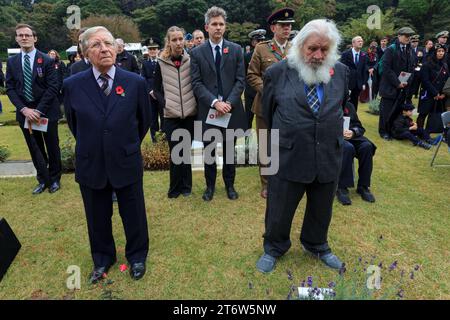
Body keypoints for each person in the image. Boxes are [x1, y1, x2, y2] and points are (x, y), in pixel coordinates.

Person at [256, 19, 348, 273]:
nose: (318, 56)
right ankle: (274, 246)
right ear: (299, 46)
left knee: (322, 207)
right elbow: (268, 112)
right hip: (289, 155)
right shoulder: (277, 73)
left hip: (328, 153)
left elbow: (342, 105)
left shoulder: (340, 72)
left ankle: (316, 243)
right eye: (312, 49)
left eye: (324, 49)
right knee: (279, 207)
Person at [63, 26, 151, 283]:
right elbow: (74, 123)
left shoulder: (135, 82)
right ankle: (102, 259)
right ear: (85, 53)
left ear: (116, 48)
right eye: (96, 45)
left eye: (108, 43)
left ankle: (136, 256)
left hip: (125, 159)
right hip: (91, 162)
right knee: (96, 215)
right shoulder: (72, 85)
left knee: (133, 212)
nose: (104, 49)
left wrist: (124, 144)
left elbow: (143, 121)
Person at [190, 6, 247, 201]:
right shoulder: (197, 53)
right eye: (214, 24)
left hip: (231, 109)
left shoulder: (236, 49)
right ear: (206, 27)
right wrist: (215, 102)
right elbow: (196, 83)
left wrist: (228, 103)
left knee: (230, 150)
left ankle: (230, 185)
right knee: (209, 150)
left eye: (221, 24)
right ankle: (210, 187)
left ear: (225, 26)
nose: (218, 28)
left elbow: (241, 80)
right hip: (209, 109)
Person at [5, 24, 62, 195]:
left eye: (27, 35)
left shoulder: (47, 60)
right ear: (16, 38)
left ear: (35, 38)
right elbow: (10, 88)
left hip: (45, 113)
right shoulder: (12, 62)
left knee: (52, 146)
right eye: (20, 35)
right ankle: (42, 179)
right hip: (25, 114)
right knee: (34, 147)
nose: (24, 38)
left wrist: (37, 111)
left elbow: (53, 87)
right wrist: (23, 109)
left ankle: (54, 179)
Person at [247, 7, 294, 199]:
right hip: (265, 105)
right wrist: (270, 92)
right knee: (267, 145)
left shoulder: (296, 48)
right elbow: (252, 75)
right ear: (273, 27)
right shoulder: (261, 48)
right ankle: (267, 183)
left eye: (289, 25)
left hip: (290, 107)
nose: (287, 29)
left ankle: (285, 178)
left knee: (286, 143)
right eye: (283, 25)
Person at [152, 26, 197, 198]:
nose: (178, 43)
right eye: (174, 40)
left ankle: (186, 187)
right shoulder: (161, 63)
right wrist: (166, 104)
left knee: (185, 152)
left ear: (184, 40)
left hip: (189, 115)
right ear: (168, 42)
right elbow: (155, 89)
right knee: (174, 153)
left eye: (180, 39)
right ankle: (174, 188)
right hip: (171, 116)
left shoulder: (191, 60)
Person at [378, 27, 416, 140]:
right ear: (399, 36)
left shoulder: (409, 49)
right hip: (390, 86)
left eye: (409, 36)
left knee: (396, 111)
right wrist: (397, 82)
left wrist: (406, 82)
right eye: (405, 36)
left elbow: (411, 68)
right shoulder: (391, 49)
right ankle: (384, 131)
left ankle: (393, 131)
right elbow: (386, 68)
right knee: (386, 111)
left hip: (403, 86)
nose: (408, 38)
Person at [336, 101, 376, 206]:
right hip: (333, 137)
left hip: (351, 136)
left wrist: (353, 132)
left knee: (367, 146)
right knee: (348, 148)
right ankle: (341, 187)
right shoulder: (327, 103)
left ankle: (363, 186)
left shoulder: (349, 105)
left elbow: (358, 126)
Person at [244, 28, 266, 163]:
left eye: (262, 40)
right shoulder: (247, 56)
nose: (260, 43)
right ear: (253, 42)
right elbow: (244, 74)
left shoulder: (266, 53)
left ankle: (263, 148)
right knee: (247, 120)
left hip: (263, 93)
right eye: (258, 41)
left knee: (263, 123)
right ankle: (247, 147)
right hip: (251, 93)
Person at [417, 44, 449, 135]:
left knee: (434, 115)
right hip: (428, 94)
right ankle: (420, 134)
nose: (441, 53)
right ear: (434, 52)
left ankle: (427, 133)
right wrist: (435, 93)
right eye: (439, 51)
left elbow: (446, 80)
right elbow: (425, 81)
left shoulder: (445, 65)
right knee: (423, 114)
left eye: (442, 51)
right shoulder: (427, 65)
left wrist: (443, 94)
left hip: (440, 95)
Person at [141, 38, 163, 143]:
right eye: (150, 49)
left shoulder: (162, 61)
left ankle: (164, 136)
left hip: (161, 93)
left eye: (154, 49)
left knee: (163, 116)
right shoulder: (145, 63)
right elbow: (143, 78)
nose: (153, 51)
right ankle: (155, 139)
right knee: (153, 117)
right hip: (150, 95)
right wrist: (150, 91)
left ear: (158, 50)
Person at [339, 36, 368, 111]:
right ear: (353, 43)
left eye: (362, 41)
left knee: (355, 104)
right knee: (345, 103)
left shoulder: (363, 55)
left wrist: (364, 83)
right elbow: (341, 69)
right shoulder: (345, 54)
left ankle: (353, 120)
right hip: (347, 83)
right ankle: (344, 120)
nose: (361, 42)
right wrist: (343, 82)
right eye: (358, 41)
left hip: (358, 84)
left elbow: (364, 70)